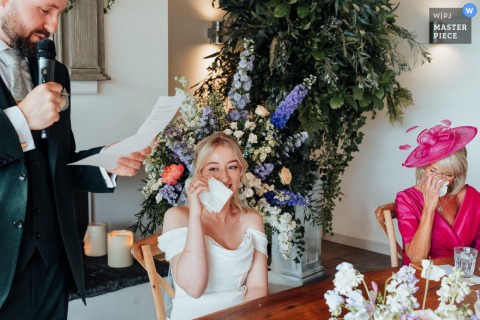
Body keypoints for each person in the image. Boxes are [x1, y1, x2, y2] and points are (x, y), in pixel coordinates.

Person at [0, 0, 150, 318]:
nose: (54, 26)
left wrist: (106, 161)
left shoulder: (57, 73)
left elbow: (56, 164)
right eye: (45, 9)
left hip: (52, 266)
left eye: (60, 13)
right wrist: (18, 120)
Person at [158, 132, 268, 319]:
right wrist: (195, 215)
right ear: (200, 174)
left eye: (232, 167)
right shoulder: (177, 217)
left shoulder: (251, 220)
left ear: (240, 172)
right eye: (213, 169)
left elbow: (257, 288)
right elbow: (194, 288)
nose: (224, 177)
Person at [395, 121, 480, 266]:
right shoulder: (406, 199)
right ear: (424, 167)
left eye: (447, 174)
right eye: (433, 171)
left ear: (457, 175)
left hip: (464, 277)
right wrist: (429, 207)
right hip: (426, 277)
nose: (439, 179)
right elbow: (416, 258)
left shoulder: (472, 196)